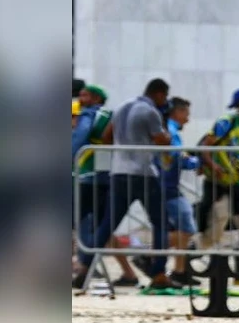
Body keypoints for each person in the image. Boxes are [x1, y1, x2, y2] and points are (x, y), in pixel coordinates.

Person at [74, 78, 176, 290]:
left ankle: (85, 267)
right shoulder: (150, 112)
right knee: (160, 222)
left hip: (119, 172)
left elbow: (105, 136)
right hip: (144, 173)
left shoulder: (121, 107)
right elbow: (162, 140)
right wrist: (164, 129)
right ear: (159, 94)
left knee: (106, 225)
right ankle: (158, 272)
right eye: (164, 97)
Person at [72, 84, 142, 288]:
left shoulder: (90, 114)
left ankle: (83, 270)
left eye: (84, 95)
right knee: (102, 229)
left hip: (90, 176)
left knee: (83, 224)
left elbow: (79, 139)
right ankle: (127, 273)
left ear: (95, 98)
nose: (80, 97)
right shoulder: (110, 115)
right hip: (105, 176)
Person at [196, 96, 239, 285]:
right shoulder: (226, 123)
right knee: (215, 230)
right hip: (218, 186)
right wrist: (213, 166)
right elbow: (205, 146)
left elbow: (238, 157)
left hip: (236, 187)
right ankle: (188, 257)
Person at [156, 97, 200, 285]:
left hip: (166, 185)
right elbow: (177, 157)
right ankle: (150, 252)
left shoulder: (168, 128)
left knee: (180, 228)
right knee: (187, 228)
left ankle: (180, 270)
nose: (187, 119)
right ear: (177, 112)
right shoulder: (171, 130)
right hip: (168, 186)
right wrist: (198, 162)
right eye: (186, 114)